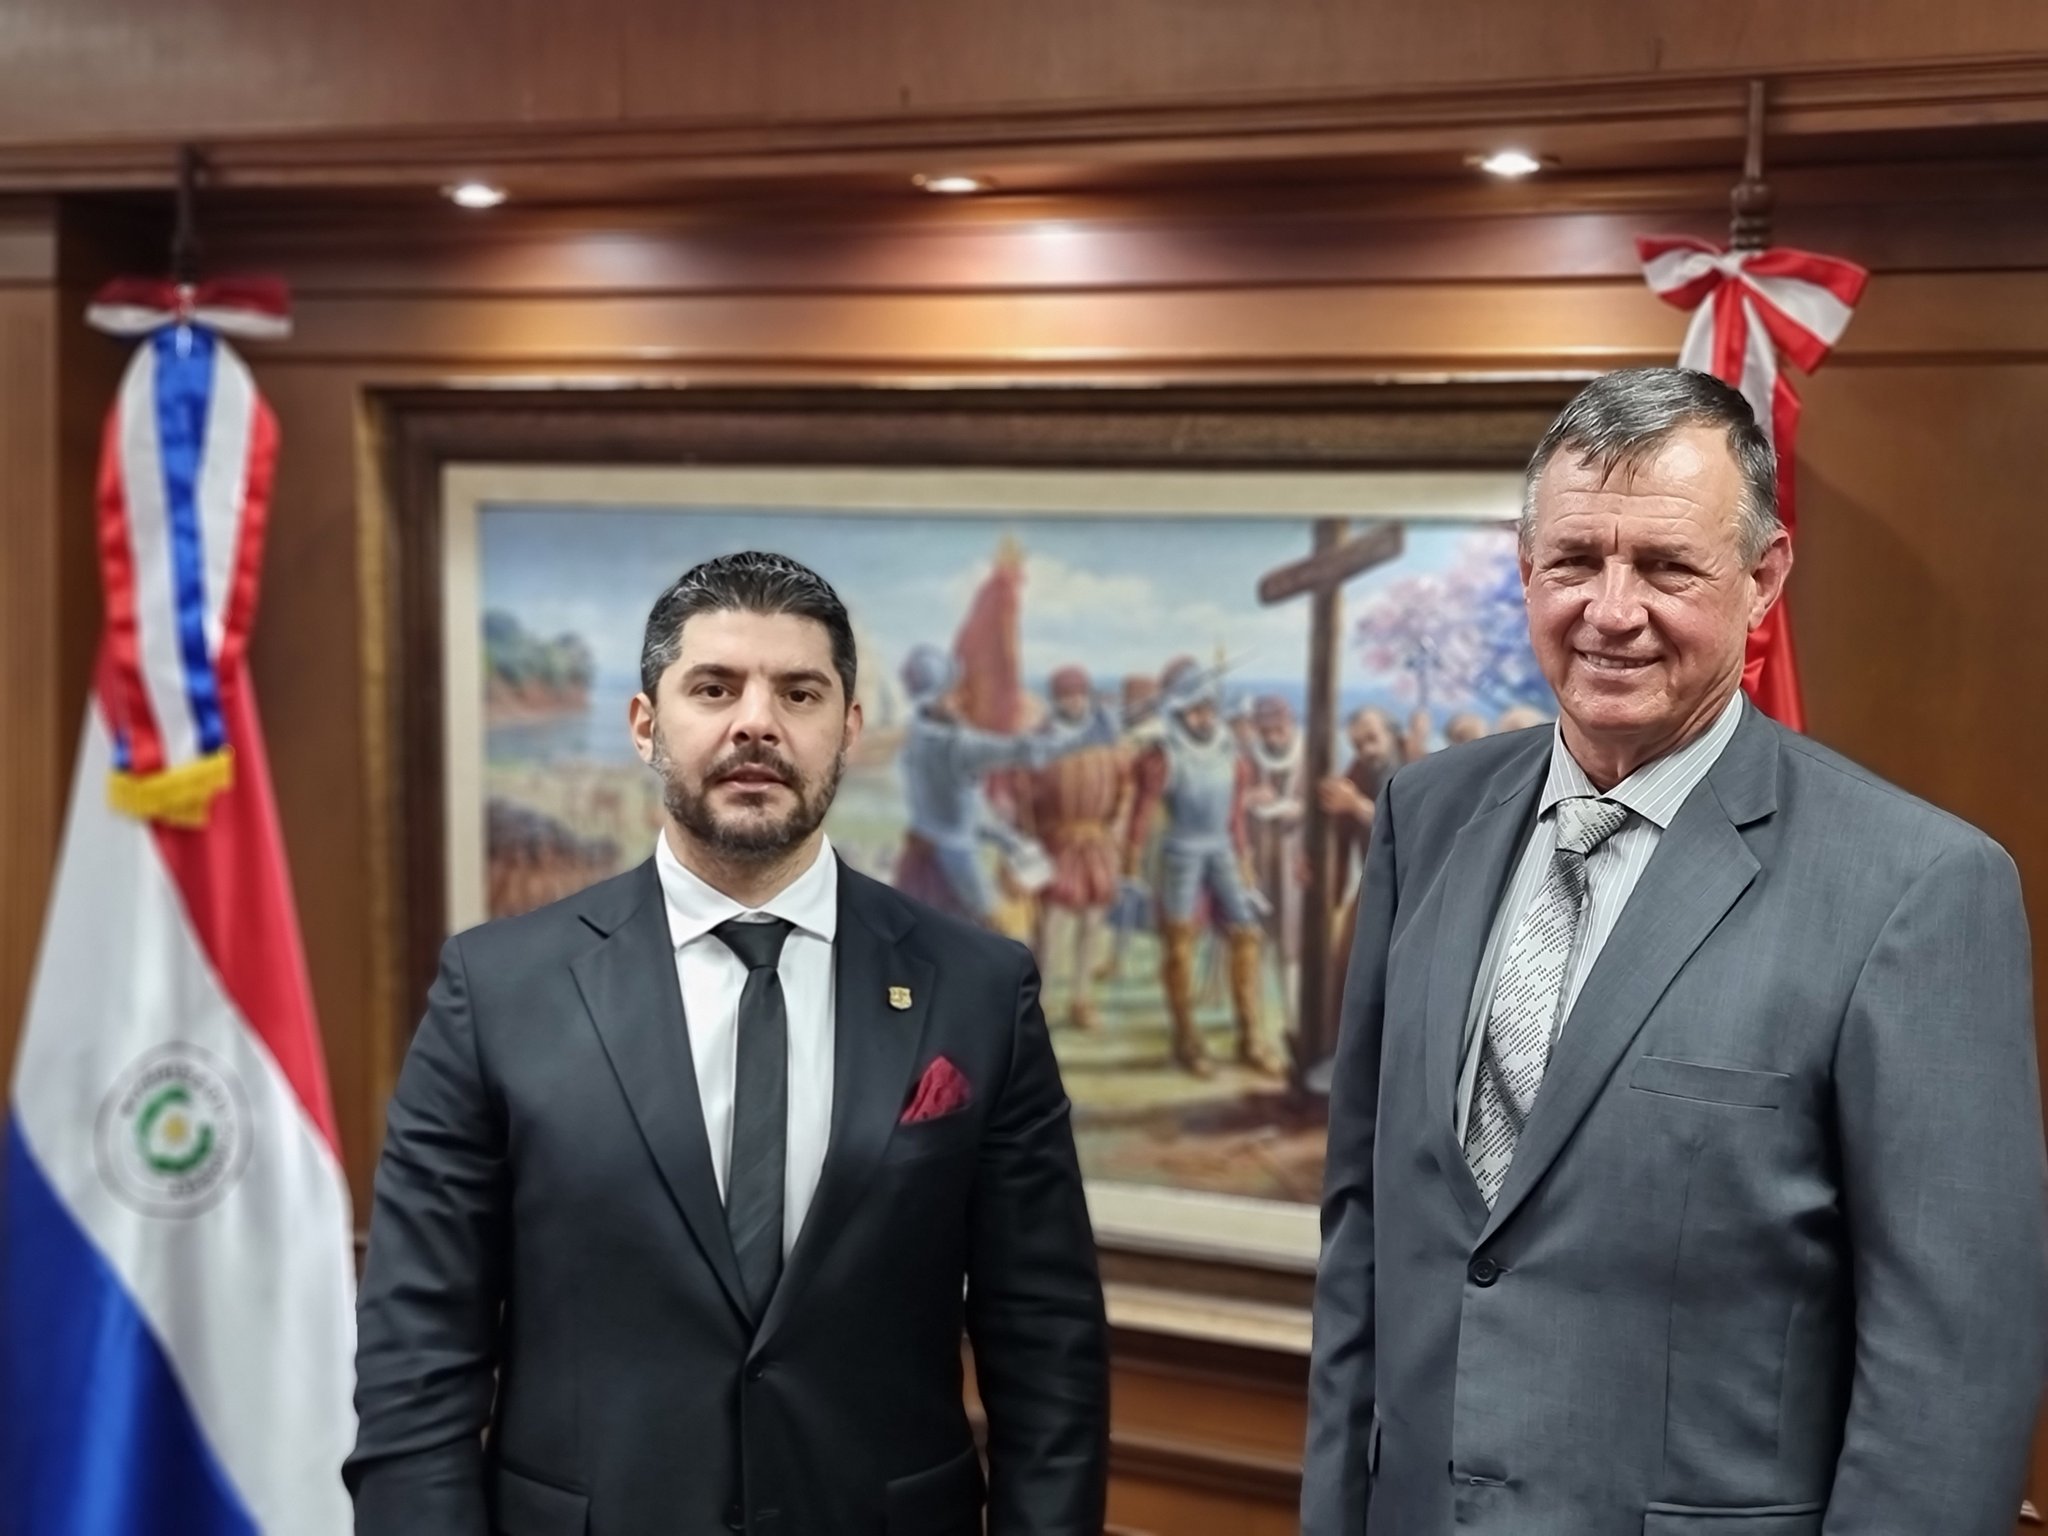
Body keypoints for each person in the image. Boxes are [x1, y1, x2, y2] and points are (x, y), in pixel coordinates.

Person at [1302, 368, 2047, 1536]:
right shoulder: (1423, 814)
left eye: (1663, 566)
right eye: (1573, 561)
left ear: (1762, 581)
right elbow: (1364, 1232)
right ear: (1522, 563)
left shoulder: (1916, 887)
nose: (1609, 609)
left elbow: (1949, 1367)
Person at [347, 551, 1110, 1536]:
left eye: (798, 691)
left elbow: (1046, 1343)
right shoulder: (496, 990)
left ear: (847, 729)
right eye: (714, 688)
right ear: (645, 725)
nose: (756, 722)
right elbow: (417, 1357)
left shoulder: (976, 989)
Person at [1124, 661, 1283, 1077]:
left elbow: (1233, 815)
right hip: (1180, 855)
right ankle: (1187, 1039)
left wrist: (1245, 859)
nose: (1202, 716)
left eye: (1208, 707)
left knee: (1246, 935)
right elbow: (1141, 813)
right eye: (1193, 708)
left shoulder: (1230, 749)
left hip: (1223, 853)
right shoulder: (1163, 753)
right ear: (1177, 710)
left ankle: (1250, 1036)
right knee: (1179, 944)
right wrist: (1131, 862)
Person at [1024, 665, 1130, 1031]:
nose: (1074, 701)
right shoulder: (1044, 742)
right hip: (1059, 842)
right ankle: (1045, 999)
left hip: (1097, 842)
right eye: (1066, 695)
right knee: (1052, 926)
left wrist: (1115, 828)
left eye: (1079, 694)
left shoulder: (1106, 738)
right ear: (1057, 700)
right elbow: (1028, 798)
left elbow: (1124, 787)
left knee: (1092, 922)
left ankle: (1081, 1000)